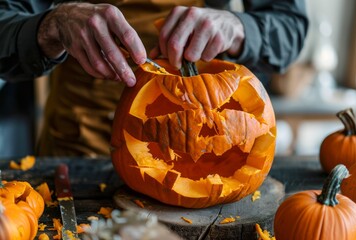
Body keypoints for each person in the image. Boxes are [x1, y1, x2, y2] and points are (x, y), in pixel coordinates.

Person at [0, 0, 308, 157]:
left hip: (207, 143)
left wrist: (238, 27)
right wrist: (52, 25)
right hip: (79, 142)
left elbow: (288, 26)